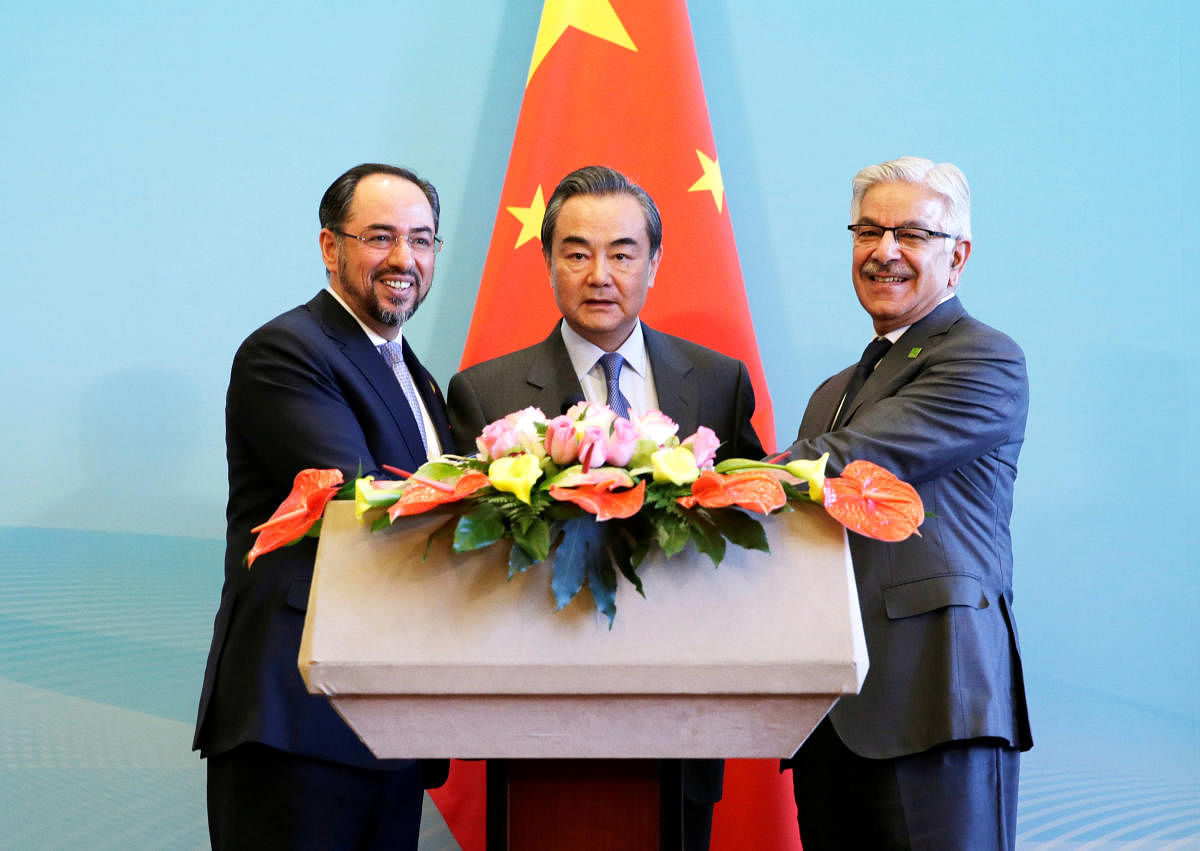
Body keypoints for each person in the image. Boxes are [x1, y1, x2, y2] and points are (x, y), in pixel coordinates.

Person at [446, 165, 764, 851]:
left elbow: (752, 524)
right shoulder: (485, 390)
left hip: (682, 717)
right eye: (577, 252)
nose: (600, 273)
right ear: (547, 262)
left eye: (622, 252)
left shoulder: (716, 382)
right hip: (538, 717)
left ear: (653, 263)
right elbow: (466, 555)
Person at [194, 164, 454, 850]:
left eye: (422, 240)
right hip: (299, 717)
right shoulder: (288, 350)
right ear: (329, 247)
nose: (405, 259)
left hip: (384, 719)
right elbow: (355, 497)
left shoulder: (416, 375)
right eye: (381, 237)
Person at [782, 156, 1032, 849]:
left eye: (911, 234)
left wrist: (711, 478)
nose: (884, 250)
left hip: (935, 702)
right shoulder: (832, 390)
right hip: (833, 715)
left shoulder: (984, 358)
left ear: (958, 257)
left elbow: (861, 459)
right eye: (868, 230)